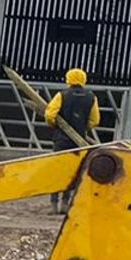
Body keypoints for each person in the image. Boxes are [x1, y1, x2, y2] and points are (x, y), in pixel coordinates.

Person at [43, 68, 101, 213]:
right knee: (73, 170)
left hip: (61, 139)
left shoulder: (62, 95)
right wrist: (82, 127)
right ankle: (65, 203)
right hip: (79, 140)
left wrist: (55, 125)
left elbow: (50, 114)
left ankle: (53, 205)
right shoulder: (91, 97)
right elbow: (95, 120)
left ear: (68, 79)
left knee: (57, 169)